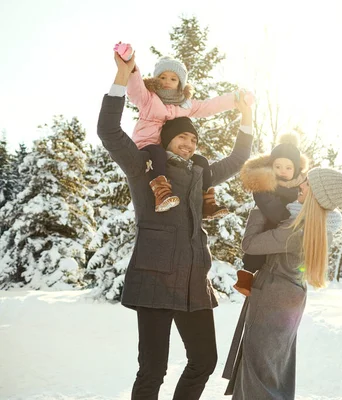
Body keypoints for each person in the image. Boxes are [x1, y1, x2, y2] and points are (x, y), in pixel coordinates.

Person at [98, 49, 253, 400]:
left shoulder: (201, 173)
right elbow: (108, 130)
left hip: (193, 283)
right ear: (166, 138)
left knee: (205, 360)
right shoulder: (142, 166)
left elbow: (239, 158)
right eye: (181, 137)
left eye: (194, 140)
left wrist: (247, 116)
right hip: (154, 278)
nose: (188, 143)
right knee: (153, 370)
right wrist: (123, 77)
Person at [223, 167, 342, 399]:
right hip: (291, 294)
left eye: (307, 183)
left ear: (317, 194)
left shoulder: (296, 228)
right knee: (275, 367)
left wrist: (261, 209)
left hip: (272, 293)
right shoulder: (319, 226)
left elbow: (250, 244)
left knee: (258, 370)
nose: (301, 185)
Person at [119, 42, 253, 217]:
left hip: (161, 150)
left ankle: (207, 202)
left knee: (202, 161)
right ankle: (161, 191)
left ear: (180, 83)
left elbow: (209, 106)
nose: (167, 82)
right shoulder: (149, 99)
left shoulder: (184, 105)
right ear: (155, 79)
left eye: (173, 79)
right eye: (163, 77)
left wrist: (235, 100)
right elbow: (135, 88)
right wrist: (130, 63)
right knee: (158, 154)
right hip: (147, 147)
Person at [233, 132, 309, 296]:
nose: (283, 171)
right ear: (271, 166)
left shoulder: (301, 184)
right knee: (257, 252)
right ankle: (246, 274)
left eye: (288, 168)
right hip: (272, 221)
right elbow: (267, 205)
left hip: (285, 232)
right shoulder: (266, 184)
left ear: (296, 169)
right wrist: (285, 216)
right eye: (278, 167)